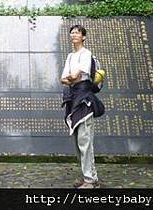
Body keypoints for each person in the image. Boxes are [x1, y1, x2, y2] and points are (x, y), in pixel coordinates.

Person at [60, 24, 103, 189]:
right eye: (72, 33)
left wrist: (72, 78)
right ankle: (87, 177)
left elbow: (78, 76)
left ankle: (90, 180)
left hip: (84, 99)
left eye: (77, 32)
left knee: (85, 140)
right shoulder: (70, 56)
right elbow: (63, 79)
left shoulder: (86, 54)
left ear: (83, 37)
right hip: (73, 98)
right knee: (78, 141)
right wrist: (72, 78)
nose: (74, 35)